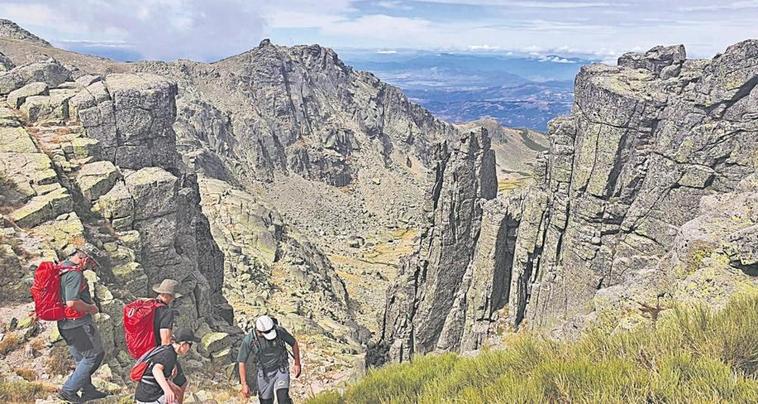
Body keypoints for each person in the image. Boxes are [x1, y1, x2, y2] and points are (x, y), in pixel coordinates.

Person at [56, 248, 109, 403]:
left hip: (65, 324)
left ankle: (88, 390)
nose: (89, 266)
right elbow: (72, 302)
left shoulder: (61, 268)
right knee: (94, 356)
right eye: (89, 262)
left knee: (81, 358)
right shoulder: (74, 274)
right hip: (77, 324)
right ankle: (69, 390)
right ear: (82, 258)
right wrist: (90, 308)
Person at [237, 315, 301, 404]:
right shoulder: (249, 340)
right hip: (264, 374)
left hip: (281, 368)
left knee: (283, 398)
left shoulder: (279, 331)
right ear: (259, 331)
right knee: (265, 402)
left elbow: (293, 343)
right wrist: (244, 384)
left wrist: (297, 363)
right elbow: (241, 362)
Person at [135, 328, 198, 404]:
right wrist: (167, 390)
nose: (189, 348)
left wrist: (171, 385)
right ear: (183, 344)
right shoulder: (169, 355)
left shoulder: (166, 350)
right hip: (150, 398)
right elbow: (156, 370)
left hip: (143, 395)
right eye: (190, 345)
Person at [152, 279, 181, 346]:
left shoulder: (151, 306)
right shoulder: (167, 313)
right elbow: (165, 341)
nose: (173, 299)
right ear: (167, 296)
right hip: (153, 351)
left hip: (140, 350)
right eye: (173, 296)